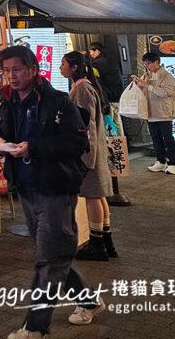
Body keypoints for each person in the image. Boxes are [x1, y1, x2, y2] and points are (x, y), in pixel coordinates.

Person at [0, 45, 103, 338]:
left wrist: (32, 147)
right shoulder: (4, 101)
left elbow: (77, 144)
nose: (11, 76)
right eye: (7, 70)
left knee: (48, 259)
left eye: (17, 69)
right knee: (53, 253)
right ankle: (88, 300)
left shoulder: (58, 102)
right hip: (24, 187)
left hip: (56, 187)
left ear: (34, 70)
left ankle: (35, 327)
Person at [61, 52, 116, 261]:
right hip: (94, 151)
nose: (61, 67)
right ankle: (106, 240)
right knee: (99, 195)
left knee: (92, 196)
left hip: (88, 152)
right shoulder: (85, 86)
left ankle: (97, 244)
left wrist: (86, 157)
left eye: (63, 63)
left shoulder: (82, 88)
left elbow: (87, 125)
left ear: (74, 67)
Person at [134, 52, 175, 175]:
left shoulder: (168, 77)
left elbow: (164, 93)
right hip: (151, 112)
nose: (146, 66)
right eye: (145, 64)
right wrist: (139, 85)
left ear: (156, 62)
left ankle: (172, 164)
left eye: (148, 63)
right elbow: (145, 91)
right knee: (155, 139)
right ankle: (160, 161)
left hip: (164, 112)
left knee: (168, 139)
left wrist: (147, 86)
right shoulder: (147, 75)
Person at [87, 43, 123, 108]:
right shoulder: (111, 61)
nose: (90, 54)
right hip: (118, 95)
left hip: (108, 97)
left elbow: (96, 82)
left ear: (97, 51)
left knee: (109, 117)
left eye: (91, 52)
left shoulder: (96, 64)